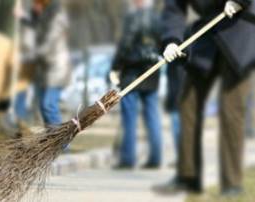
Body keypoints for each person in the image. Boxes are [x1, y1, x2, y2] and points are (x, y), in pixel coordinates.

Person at [161, 0, 255, 195]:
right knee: (188, 101)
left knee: (231, 108)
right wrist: (171, 40)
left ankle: (232, 184)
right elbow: (174, 8)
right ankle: (188, 176)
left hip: (241, 27)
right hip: (208, 32)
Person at [109, 0, 163, 169]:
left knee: (129, 117)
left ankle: (128, 158)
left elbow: (125, 44)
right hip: (152, 71)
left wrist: (116, 66)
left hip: (132, 73)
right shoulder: (157, 19)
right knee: (152, 115)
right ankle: (155, 158)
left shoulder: (133, 18)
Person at [14, 0, 71, 125]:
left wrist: (31, 55)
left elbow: (48, 43)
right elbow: (34, 32)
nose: (34, 7)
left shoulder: (57, 17)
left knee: (48, 105)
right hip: (45, 70)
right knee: (43, 109)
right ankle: (52, 142)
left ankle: (62, 143)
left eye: (37, 4)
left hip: (57, 69)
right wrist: (23, 18)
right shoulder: (43, 19)